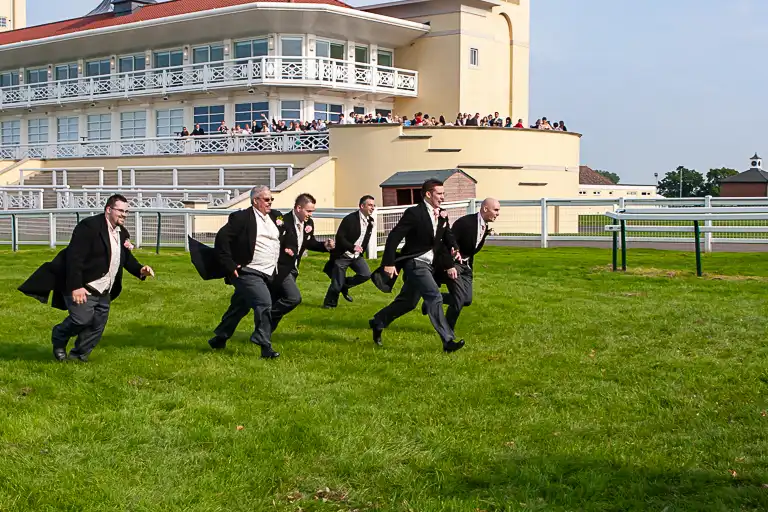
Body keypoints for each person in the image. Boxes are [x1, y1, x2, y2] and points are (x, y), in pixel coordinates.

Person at [18, 194, 155, 362]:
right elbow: (74, 258)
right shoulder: (88, 227)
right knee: (81, 319)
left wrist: (140, 270)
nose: (124, 215)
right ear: (108, 209)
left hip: (105, 288)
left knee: (97, 326)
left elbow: (124, 258)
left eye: (127, 212)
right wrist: (76, 286)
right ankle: (59, 336)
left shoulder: (121, 232)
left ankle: (78, 358)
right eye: (121, 211)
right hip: (83, 284)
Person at [368, 179, 465, 353]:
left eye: (443, 193)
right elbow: (394, 236)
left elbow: (446, 236)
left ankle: (378, 321)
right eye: (439, 194)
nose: (443, 197)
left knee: (408, 303)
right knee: (434, 296)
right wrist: (388, 262)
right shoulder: (414, 213)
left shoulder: (441, 214)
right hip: (415, 263)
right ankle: (448, 341)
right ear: (428, 194)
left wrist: (455, 248)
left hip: (430, 265)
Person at [208, 185, 284, 358]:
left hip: (268, 271)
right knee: (264, 303)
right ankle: (264, 344)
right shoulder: (242, 217)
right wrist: (229, 265)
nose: (270, 202)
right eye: (266, 199)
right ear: (255, 200)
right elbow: (221, 240)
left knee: (240, 306)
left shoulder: (274, 216)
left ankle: (220, 338)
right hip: (248, 271)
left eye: (271, 199)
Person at [430, 198, 501, 331]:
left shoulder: (484, 225)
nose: (498, 214)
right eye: (496, 210)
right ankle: (447, 331)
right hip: (454, 265)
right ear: (485, 209)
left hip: (466, 266)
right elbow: (446, 243)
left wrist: (468, 266)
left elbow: (471, 249)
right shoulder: (465, 223)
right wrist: (449, 265)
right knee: (459, 298)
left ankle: (432, 299)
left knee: (467, 300)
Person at [270, 193, 335, 332]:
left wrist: (325, 246)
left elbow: (309, 243)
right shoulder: (282, 221)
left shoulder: (308, 223)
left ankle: (263, 334)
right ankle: (265, 320)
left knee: (277, 301)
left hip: (293, 269)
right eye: (308, 211)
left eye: (312, 211)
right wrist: (284, 250)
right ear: (298, 208)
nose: (310, 214)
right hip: (280, 268)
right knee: (293, 298)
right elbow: (273, 241)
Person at [322, 195, 376, 309]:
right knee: (337, 283)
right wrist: (352, 247)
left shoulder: (370, 221)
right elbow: (340, 237)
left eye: (373, 205)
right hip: (343, 255)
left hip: (356, 256)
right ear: (362, 206)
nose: (373, 208)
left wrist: (359, 250)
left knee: (365, 274)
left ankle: (344, 285)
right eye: (370, 205)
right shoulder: (350, 219)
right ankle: (329, 304)